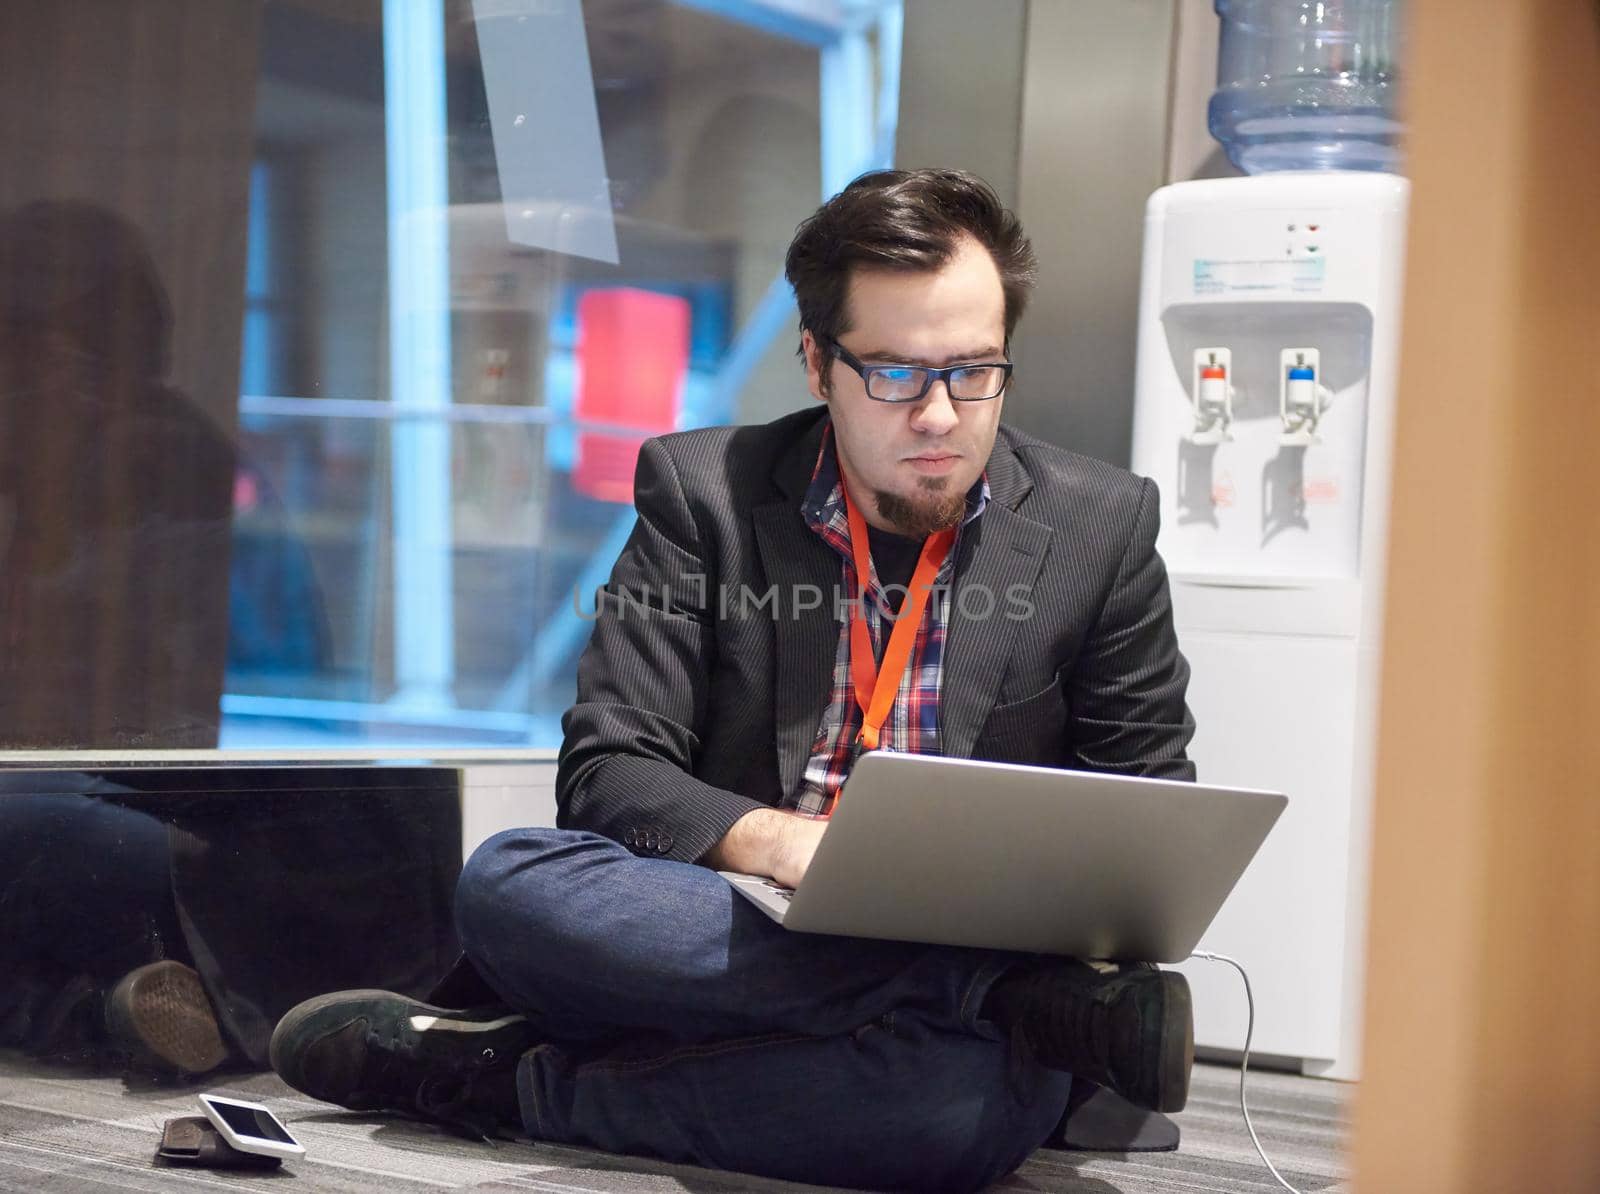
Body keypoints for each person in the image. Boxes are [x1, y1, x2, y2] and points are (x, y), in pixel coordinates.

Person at [269, 169, 1197, 1192]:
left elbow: (1146, 805)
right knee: (510, 881)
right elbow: (612, 772)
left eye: (973, 371)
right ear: (816, 362)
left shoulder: (1100, 526)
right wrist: (783, 843)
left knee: (945, 1110)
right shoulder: (701, 494)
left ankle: (502, 1079)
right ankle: (981, 997)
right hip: (734, 918)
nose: (939, 415)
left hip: (916, 994)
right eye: (892, 374)